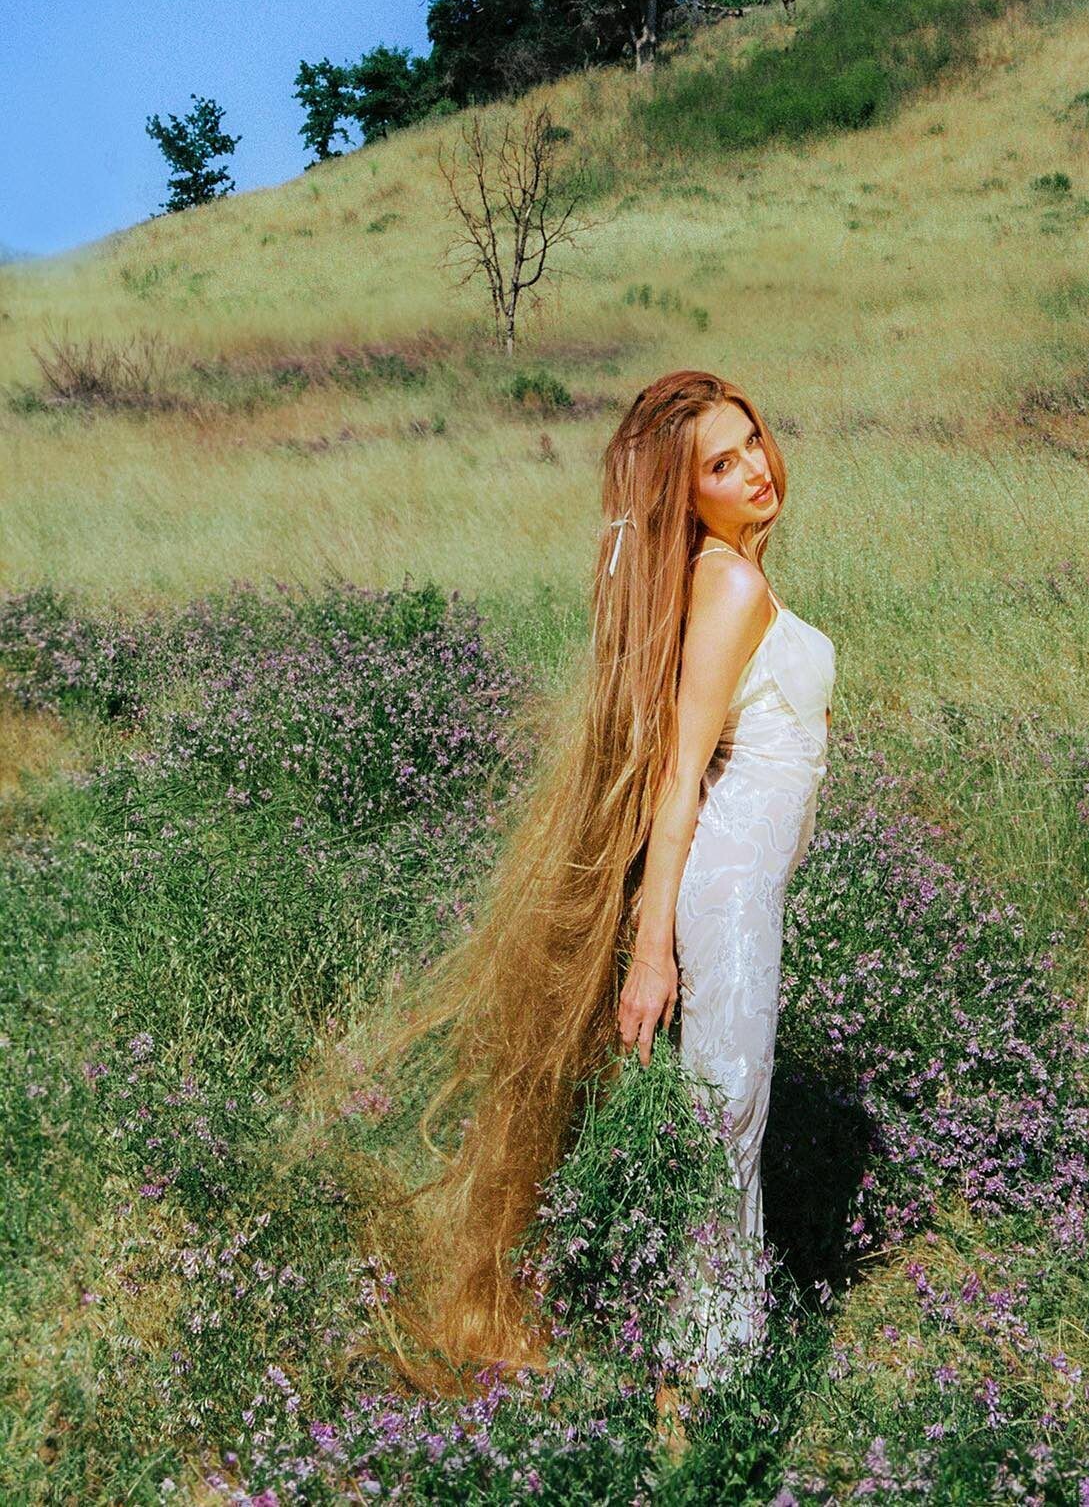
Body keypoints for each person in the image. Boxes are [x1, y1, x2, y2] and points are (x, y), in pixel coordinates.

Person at [361, 370, 835, 1447]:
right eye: (721, 464)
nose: (755, 469)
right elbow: (679, 777)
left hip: (739, 893)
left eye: (752, 441)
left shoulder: (728, 573)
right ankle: (697, 1390)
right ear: (687, 493)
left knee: (724, 1124)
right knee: (725, 1129)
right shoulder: (729, 585)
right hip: (723, 899)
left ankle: (697, 1361)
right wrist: (652, 949)